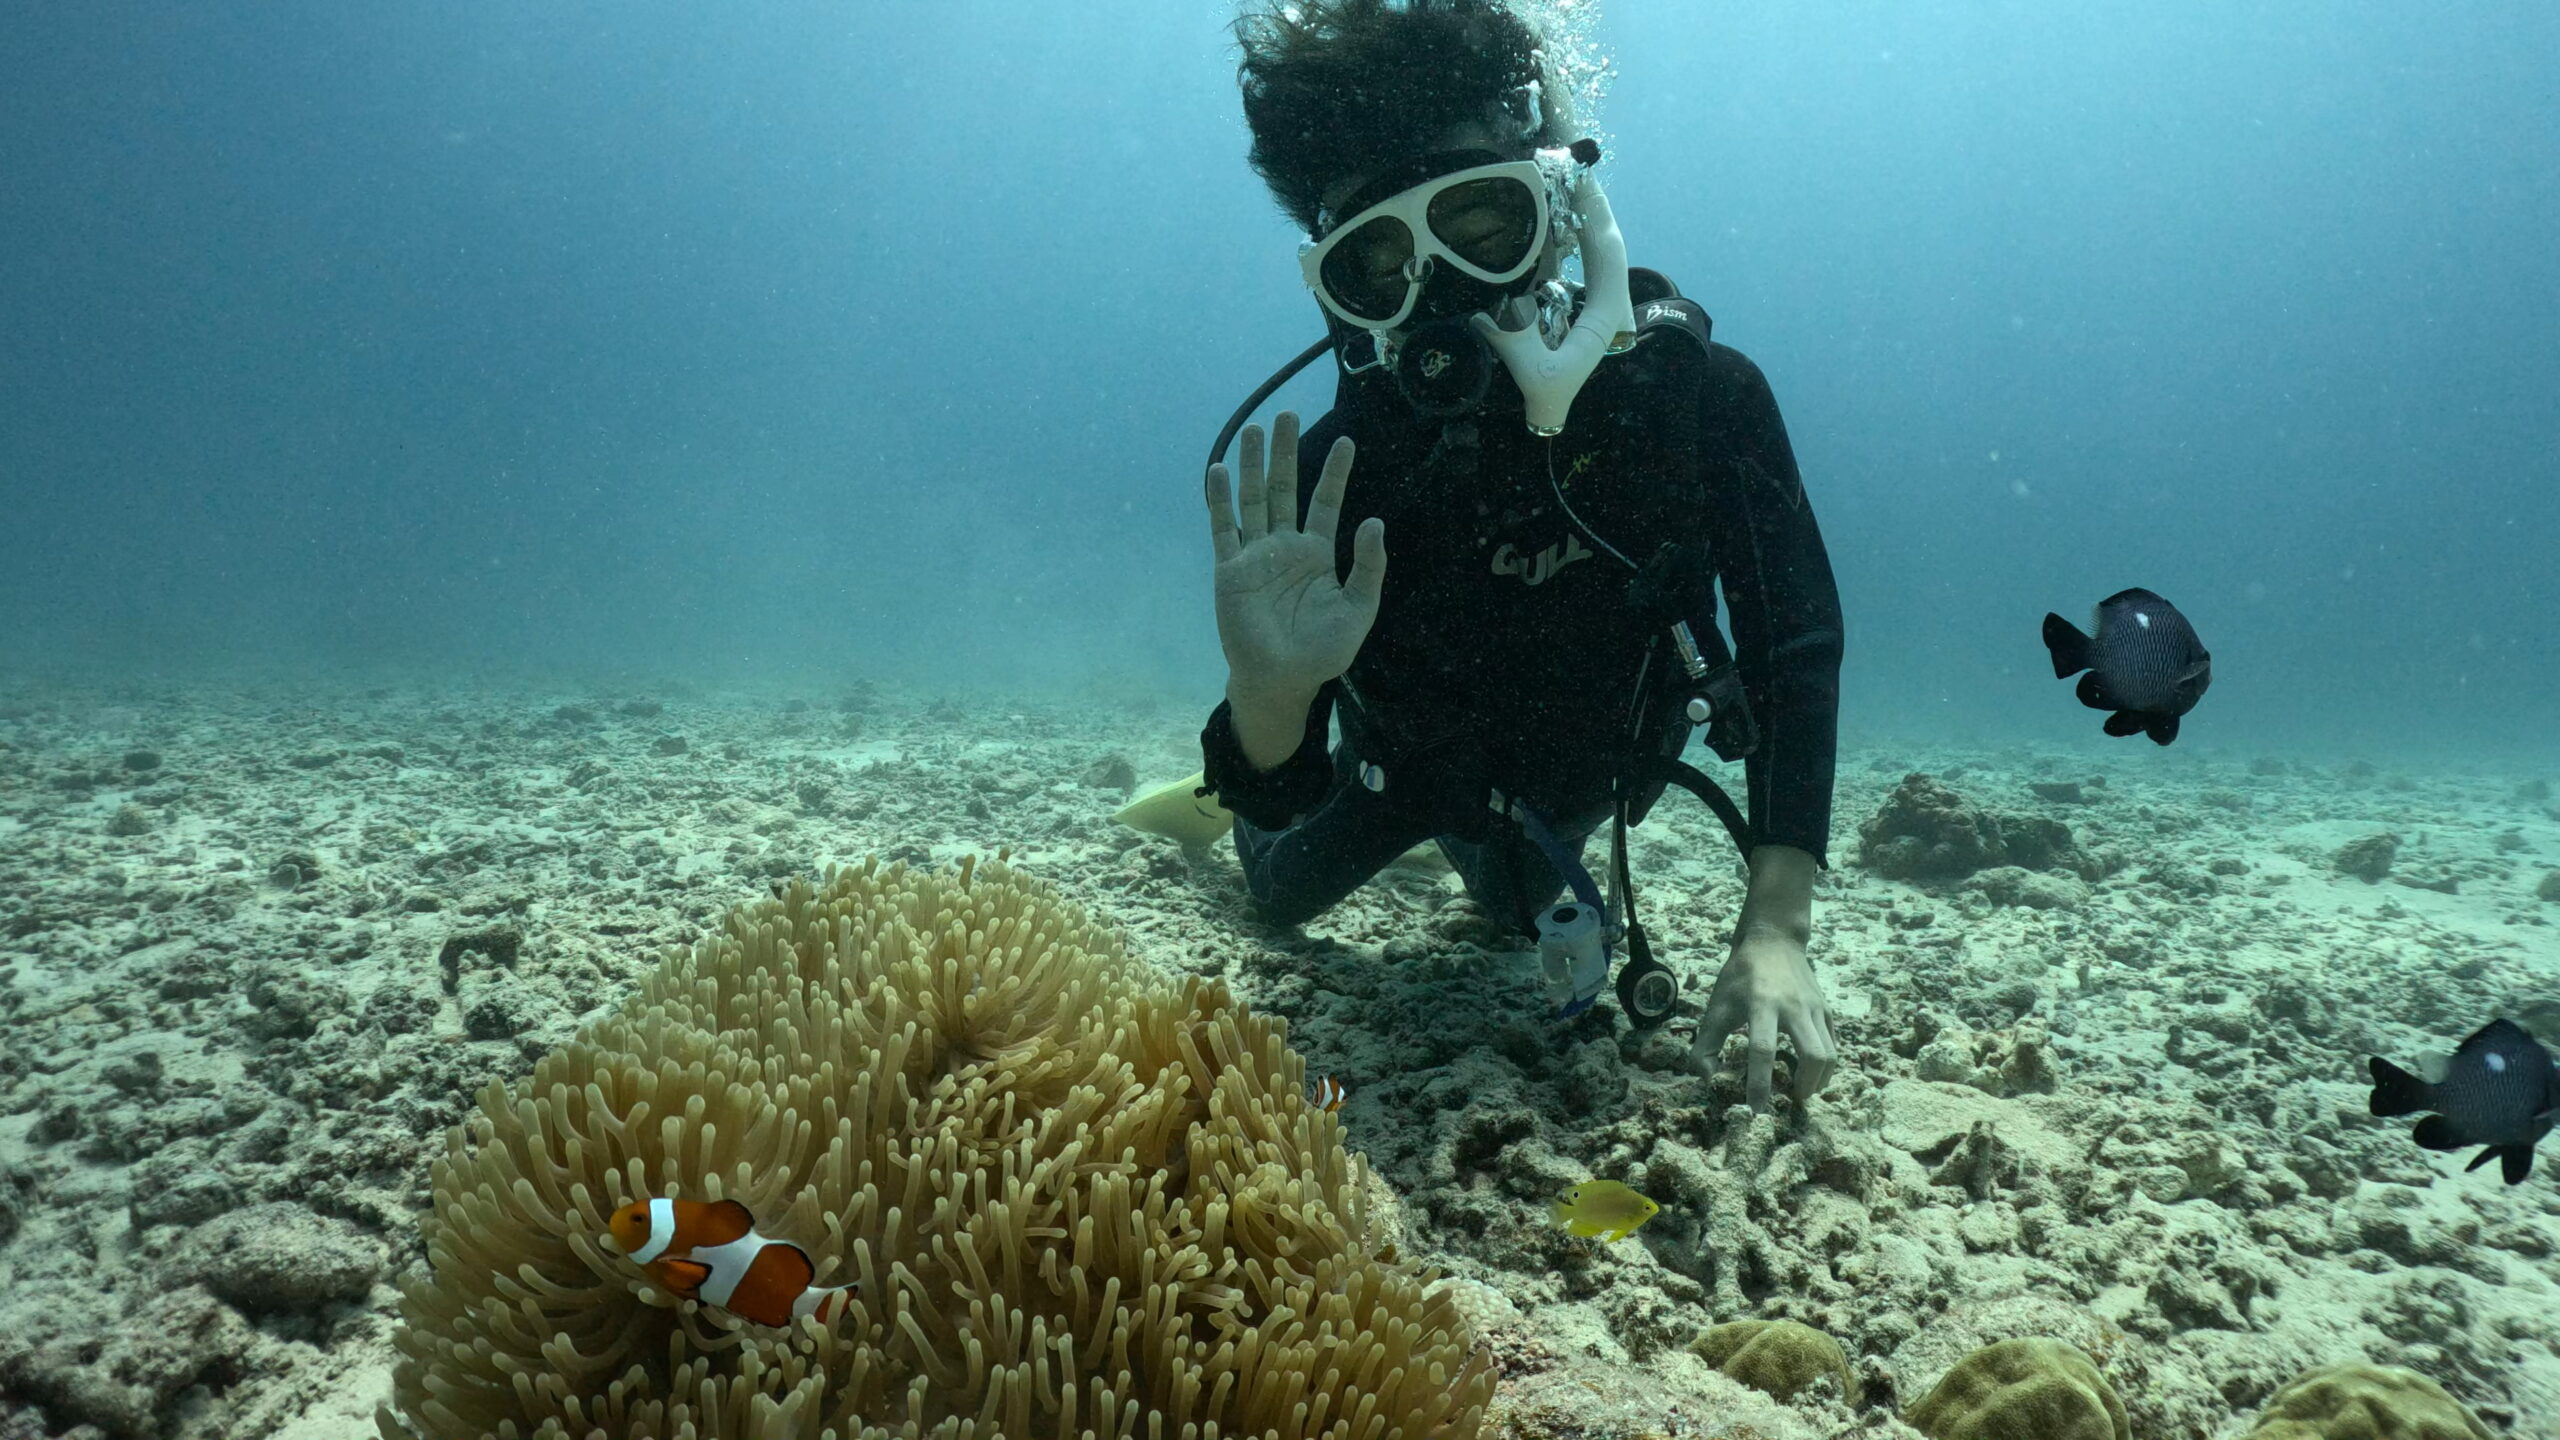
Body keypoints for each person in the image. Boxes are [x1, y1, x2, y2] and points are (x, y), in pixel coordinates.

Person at [1198, 0, 1843, 1112]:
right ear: (1343, 297)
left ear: (1559, 204)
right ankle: (1267, 824)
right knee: (1276, 895)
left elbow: (1793, 645)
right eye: (1379, 263)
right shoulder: (1338, 472)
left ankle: (1508, 867)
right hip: (1406, 778)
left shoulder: (1693, 399)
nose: (1446, 288)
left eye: (1480, 221)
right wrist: (1268, 696)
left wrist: (1777, 925)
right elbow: (1275, 774)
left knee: (1512, 914)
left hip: (1591, 779)